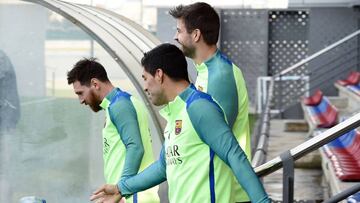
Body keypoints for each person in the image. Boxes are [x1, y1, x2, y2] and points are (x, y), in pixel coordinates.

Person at [90, 43, 269, 203]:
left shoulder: (199, 106)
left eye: (145, 78)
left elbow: (234, 155)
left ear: (159, 75)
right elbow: (163, 166)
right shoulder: (176, 112)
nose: (144, 87)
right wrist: (121, 188)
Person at [169, 2, 252, 202]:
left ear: (196, 35)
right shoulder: (206, 71)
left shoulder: (220, 75)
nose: (175, 37)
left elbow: (218, 143)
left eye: (179, 31)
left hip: (225, 194)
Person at [67, 58, 159, 203]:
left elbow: (135, 148)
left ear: (95, 84)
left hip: (131, 197)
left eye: (80, 93)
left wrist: (121, 190)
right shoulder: (118, 104)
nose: (81, 100)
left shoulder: (120, 105)